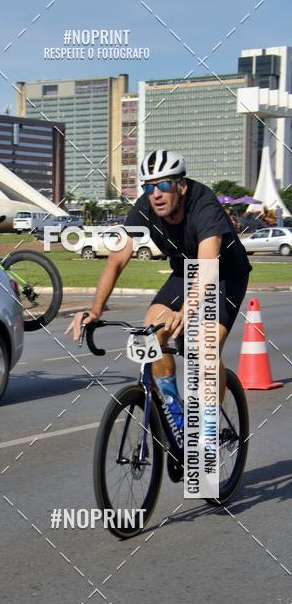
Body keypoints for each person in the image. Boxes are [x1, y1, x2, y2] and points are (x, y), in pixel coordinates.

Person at [66, 150, 251, 432]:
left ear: (181, 186)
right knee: (150, 334)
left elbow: (208, 264)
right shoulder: (145, 208)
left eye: (163, 185)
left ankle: (209, 431)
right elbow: (117, 259)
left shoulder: (204, 206)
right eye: (149, 187)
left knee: (204, 347)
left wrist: (186, 311)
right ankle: (177, 420)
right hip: (183, 274)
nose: (156, 194)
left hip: (224, 275)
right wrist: (95, 309)